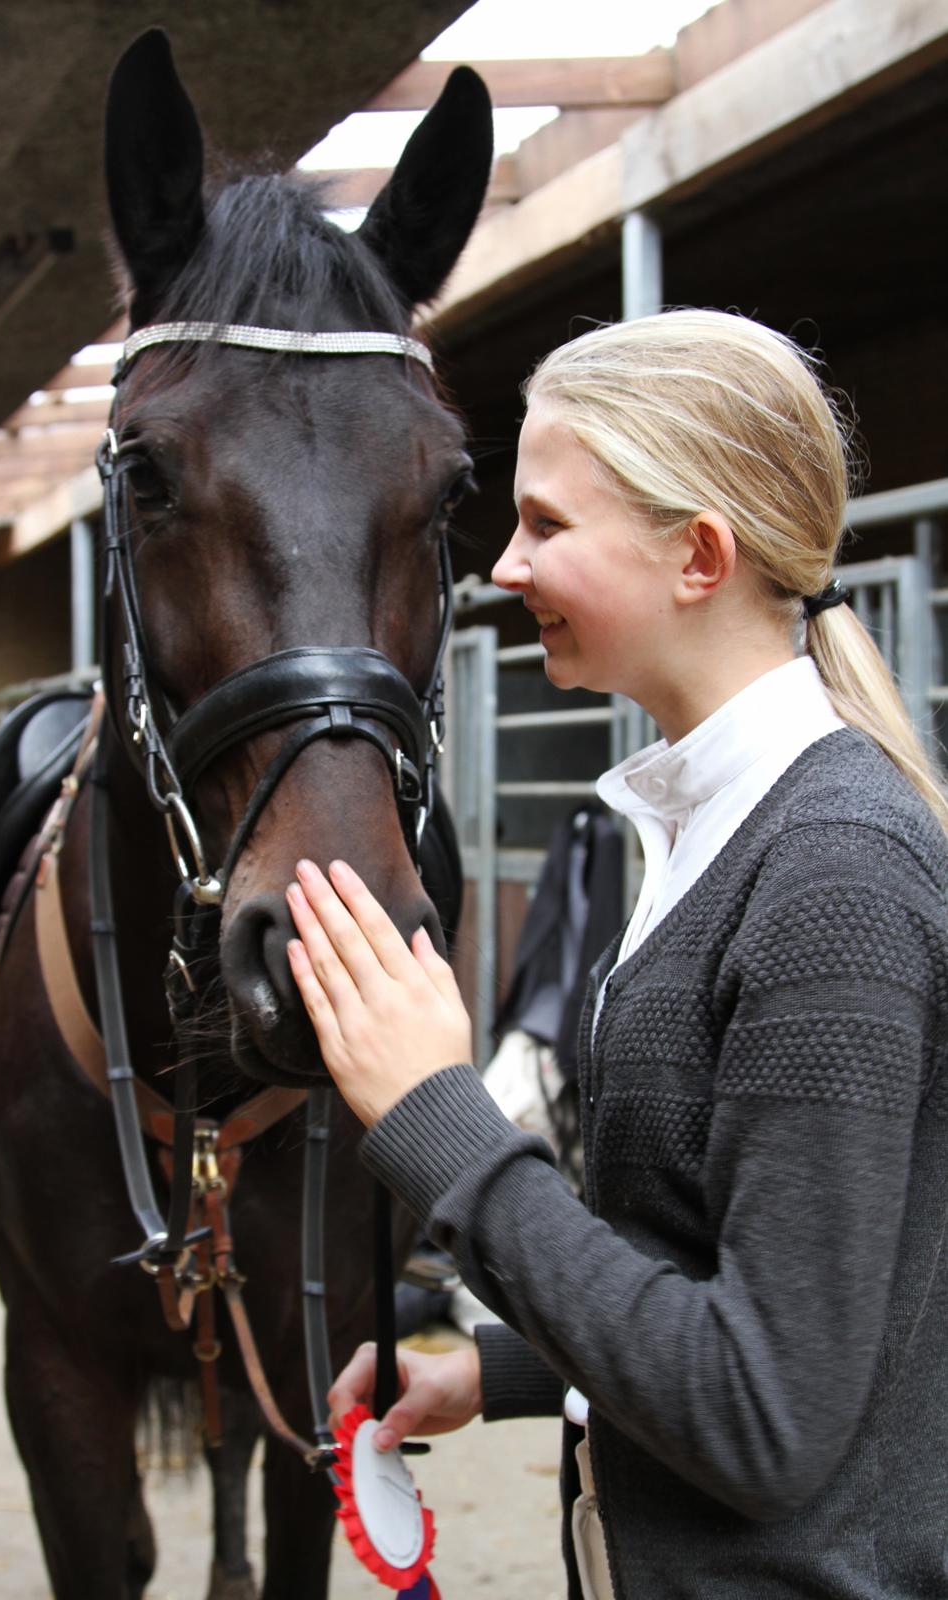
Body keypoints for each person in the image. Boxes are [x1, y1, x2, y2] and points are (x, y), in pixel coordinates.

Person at [283, 309, 948, 1599]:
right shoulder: (719, 827)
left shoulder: (833, 876)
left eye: (546, 524)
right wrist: (508, 1368)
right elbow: (735, 1267)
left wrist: (444, 1126)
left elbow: (766, 1415)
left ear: (698, 555)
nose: (506, 568)